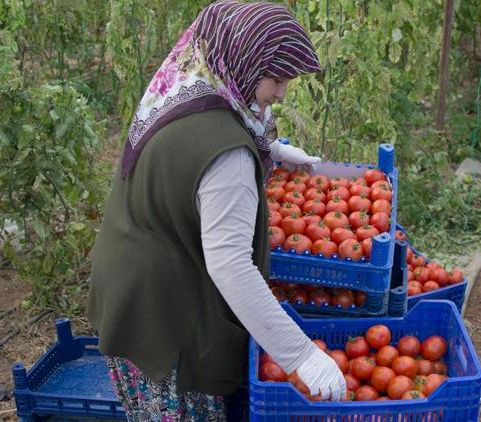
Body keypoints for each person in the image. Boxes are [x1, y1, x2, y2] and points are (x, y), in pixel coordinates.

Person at [88, 1, 346, 420]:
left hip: (127, 287)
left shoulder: (183, 86)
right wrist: (301, 355)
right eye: (276, 78)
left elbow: (186, 154)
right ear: (241, 60)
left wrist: (273, 150)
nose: (280, 94)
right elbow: (230, 266)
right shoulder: (229, 159)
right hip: (162, 317)